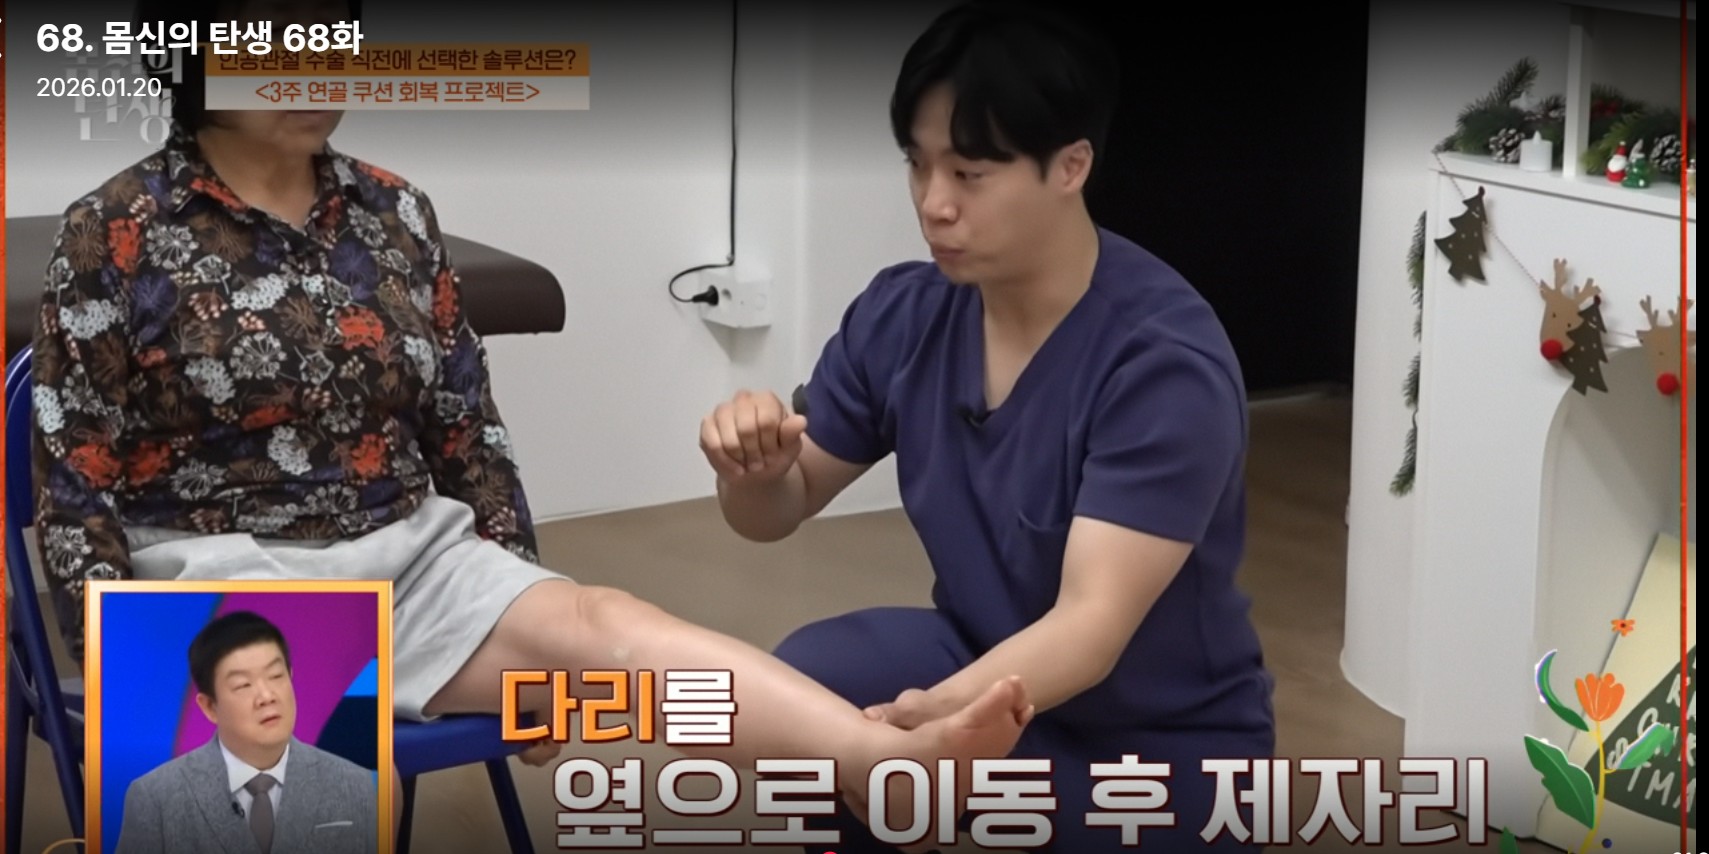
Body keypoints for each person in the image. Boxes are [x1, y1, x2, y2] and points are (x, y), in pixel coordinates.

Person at [33, 0, 1037, 844]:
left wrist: (517, 584)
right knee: (317, 764)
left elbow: (466, 429)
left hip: (410, 561)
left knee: (604, 626)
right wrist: (120, 663)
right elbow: (73, 477)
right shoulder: (115, 229)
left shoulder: (396, 214)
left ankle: (880, 763)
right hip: (228, 579)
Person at [698, 2, 1277, 850]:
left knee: (871, 745)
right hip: (976, 659)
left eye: (969, 173)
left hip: (1155, 743)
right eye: (917, 164)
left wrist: (929, 720)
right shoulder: (904, 312)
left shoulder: (1160, 361)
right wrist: (750, 474)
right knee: (809, 689)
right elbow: (777, 511)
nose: (933, 204)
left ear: (1070, 165)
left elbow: (1088, 628)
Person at [114, 612, 380, 854]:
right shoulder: (155, 799)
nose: (266, 696)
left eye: (276, 676)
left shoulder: (356, 786)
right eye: (243, 685)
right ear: (209, 707)